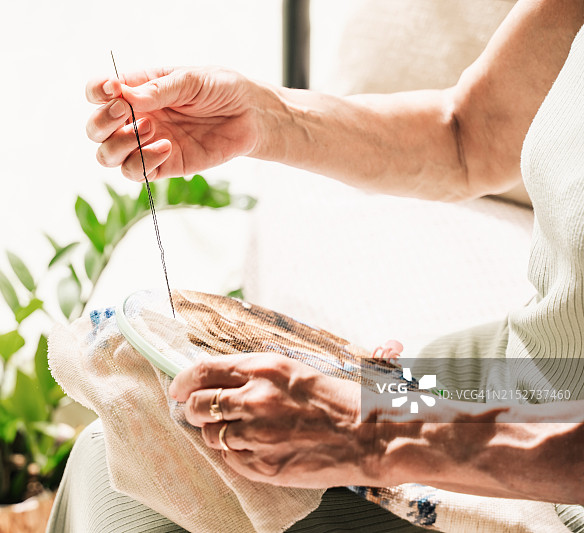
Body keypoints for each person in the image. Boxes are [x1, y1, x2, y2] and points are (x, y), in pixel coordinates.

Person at [66, 0, 584, 529]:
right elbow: (469, 135)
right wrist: (264, 117)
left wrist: (375, 429)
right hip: (515, 378)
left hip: (550, 466)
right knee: (112, 456)